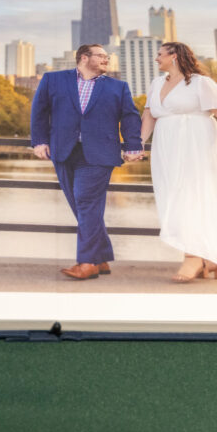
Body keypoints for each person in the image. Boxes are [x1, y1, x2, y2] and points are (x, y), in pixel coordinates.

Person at [140, 42, 217, 282]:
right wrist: (138, 143)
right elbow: (148, 116)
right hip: (167, 149)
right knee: (174, 198)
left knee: (194, 197)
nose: (156, 58)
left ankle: (194, 256)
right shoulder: (157, 83)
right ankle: (212, 259)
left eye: (160, 54)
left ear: (175, 56)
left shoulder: (201, 83)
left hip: (197, 145)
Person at [30, 44, 143, 280]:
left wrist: (133, 144)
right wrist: (39, 141)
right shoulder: (53, 80)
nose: (107, 60)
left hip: (100, 154)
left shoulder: (118, 87)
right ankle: (100, 257)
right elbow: (39, 111)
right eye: (101, 56)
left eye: (107, 57)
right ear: (84, 57)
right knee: (79, 204)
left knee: (85, 201)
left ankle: (88, 262)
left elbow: (130, 116)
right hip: (63, 151)